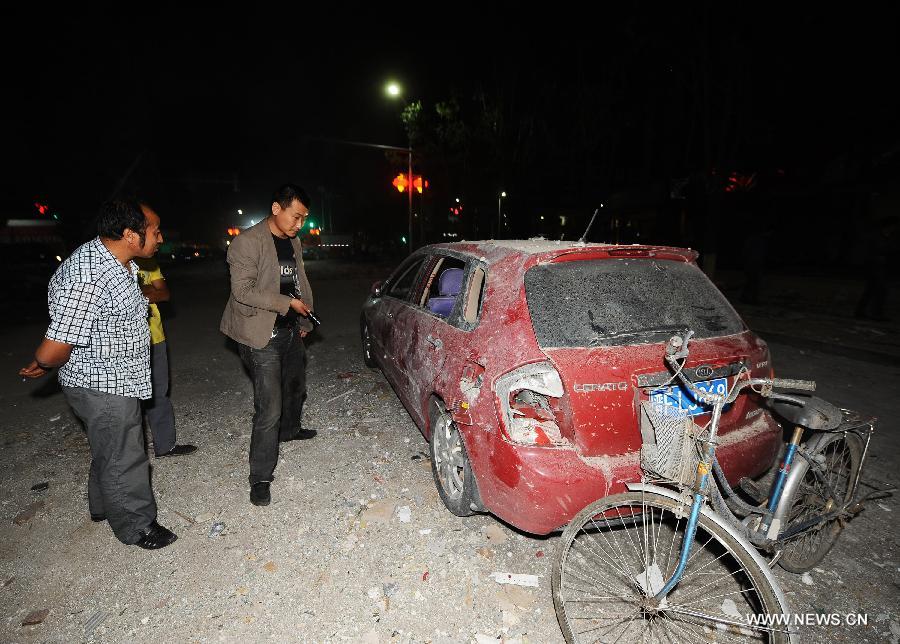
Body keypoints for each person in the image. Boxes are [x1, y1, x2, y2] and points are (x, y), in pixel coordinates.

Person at [18, 200, 177, 549]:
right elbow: (56, 345)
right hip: (102, 382)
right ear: (130, 234)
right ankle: (137, 527)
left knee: (109, 446)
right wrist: (42, 363)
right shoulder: (88, 274)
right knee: (125, 451)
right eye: (155, 231)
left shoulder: (116, 260)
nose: (161, 238)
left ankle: (104, 506)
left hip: (117, 375)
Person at [220, 184, 317, 507]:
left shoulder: (294, 241)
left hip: (290, 329)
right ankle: (260, 477)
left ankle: (290, 430)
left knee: (296, 386)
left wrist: (303, 319)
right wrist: (286, 304)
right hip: (260, 335)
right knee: (269, 407)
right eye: (296, 216)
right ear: (277, 208)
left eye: (303, 218)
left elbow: (298, 280)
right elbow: (242, 292)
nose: (299, 224)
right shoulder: (247, 243)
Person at [136, 254, 197, 457]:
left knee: (158, 392)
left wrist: (136, 292)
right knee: (127, 399)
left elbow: (164, 293)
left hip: (155, 336)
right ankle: (131, 454)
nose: (160, 238)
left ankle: (165, 445)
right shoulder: (113, 261)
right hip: (126, 342)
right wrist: (147, 290)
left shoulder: (148, 262)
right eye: (155, 232)